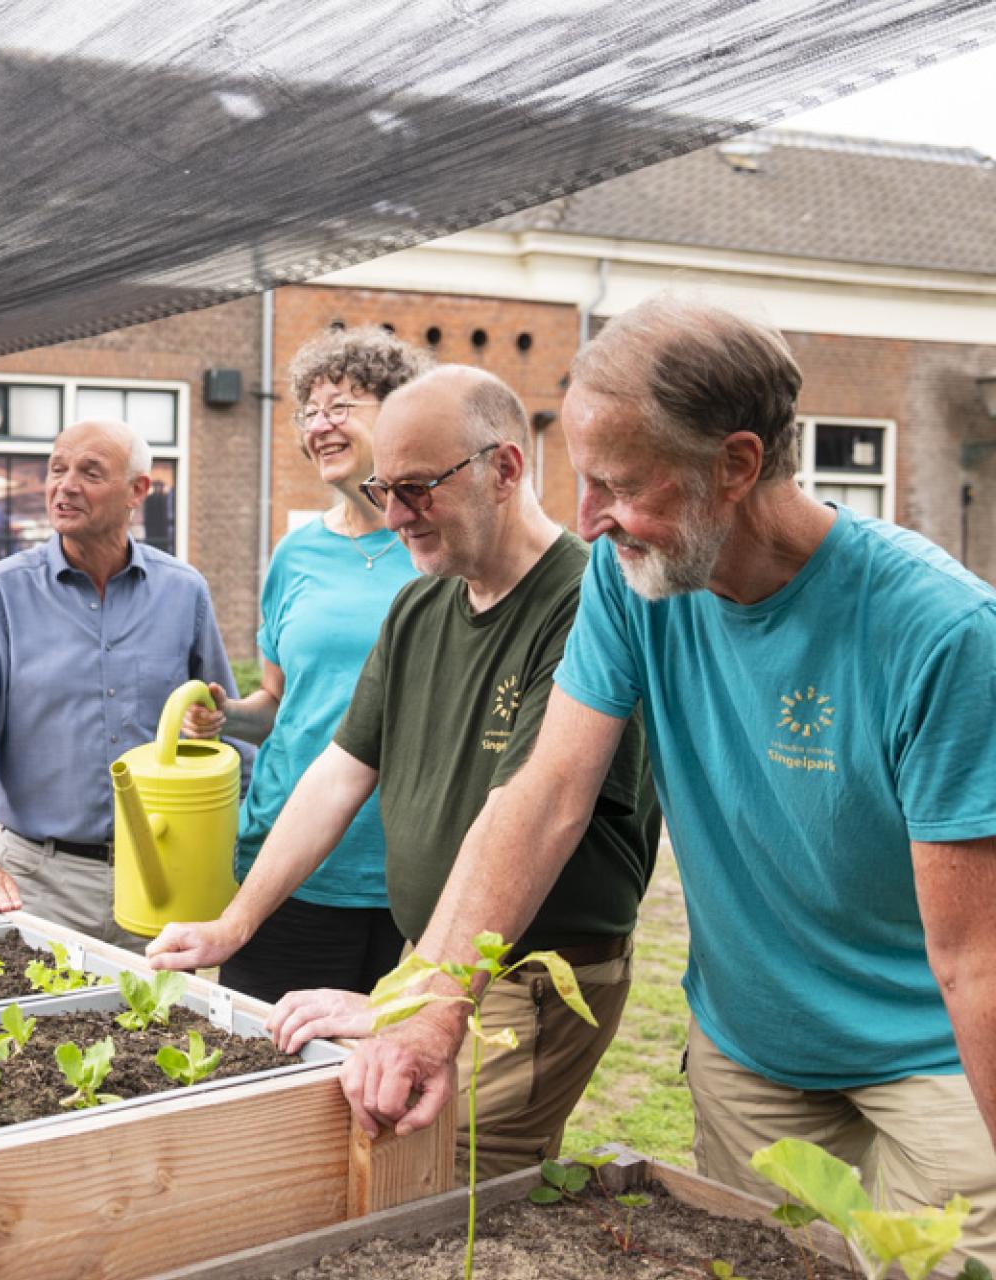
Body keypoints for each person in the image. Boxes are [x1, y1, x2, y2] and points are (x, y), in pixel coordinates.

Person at [338, 296, 996, 1267]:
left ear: (735, 465)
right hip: (750, 1051)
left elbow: (976, 959)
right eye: (582, 481)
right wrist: (434, 1008)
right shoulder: (629, 578)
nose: (588, 519)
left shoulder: (941, 632)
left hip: (930, 1063)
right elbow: (544, 795)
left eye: (618, 484)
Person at [152, 366, 660, 1175]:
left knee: (443, 1182)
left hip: (527, 975)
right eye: (385, 489)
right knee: (388, 1166)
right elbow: (340, 773)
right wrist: (235, 924)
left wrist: (421, 994)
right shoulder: (421, 605)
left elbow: (533, 810)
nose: (392, 517)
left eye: (417, 490)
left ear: (505, 468)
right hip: (435, 958)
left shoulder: (588, 602)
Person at [177, 325, 431, 1002]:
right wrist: (227, 716)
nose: (319, 425)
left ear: (402, 413)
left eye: (342, 406)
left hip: (401, 872)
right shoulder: (296, 554)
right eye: (310, 411)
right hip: (287, 865)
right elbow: (279, 706)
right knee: (264, 1067)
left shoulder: (438, 551)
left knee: (379, 1088)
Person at [0, 418, 237, 948]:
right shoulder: (5, 591)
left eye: (90, 472)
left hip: (165, 875)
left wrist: (234, 849)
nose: (65, 485)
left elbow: (227, 733)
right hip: (38, 882)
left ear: (138, 490)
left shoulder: (184, 593)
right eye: (57, 469)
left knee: (161, 1029)